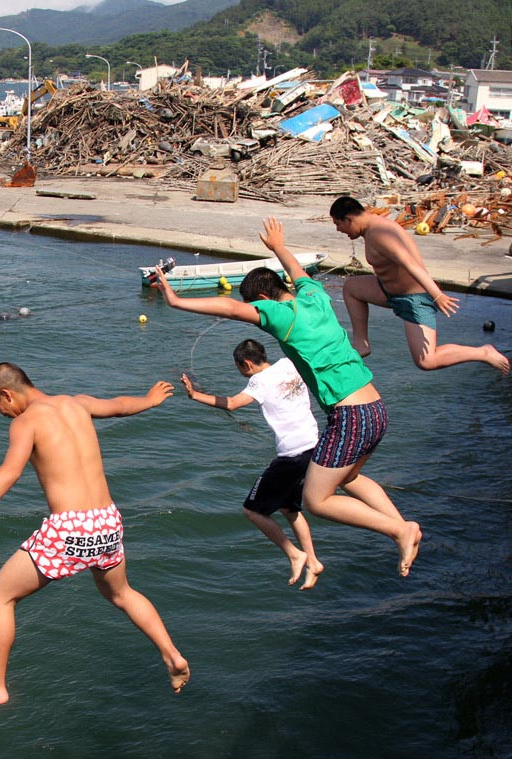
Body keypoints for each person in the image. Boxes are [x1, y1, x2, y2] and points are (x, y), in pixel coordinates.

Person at [152, 218, 423, 578]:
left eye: (256, 309)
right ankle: (401, 528)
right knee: (350, 478)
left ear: (262, 300)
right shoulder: (315, 296)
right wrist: (279, 247)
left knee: (316, 501)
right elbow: (298, 273)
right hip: (375, 408)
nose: (257, 315)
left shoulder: (282, 316)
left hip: (350, 416)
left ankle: (400, 530)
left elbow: (232, 308)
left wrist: (175, 300)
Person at [0, 363, 190, 707]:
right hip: (108, 521)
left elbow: (8, 471)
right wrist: (150, 400)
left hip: (70, 527)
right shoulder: (77, 403)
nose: (3, 415)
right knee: (122, 593)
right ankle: (171, 655)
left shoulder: (27, 422)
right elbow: (119, 406)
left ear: (7, 394)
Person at [180, 338, 323, 589]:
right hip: (314, 446)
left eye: (239, 368)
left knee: (252, 510)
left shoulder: (258, 381)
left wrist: (194, 395)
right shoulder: (290, 364)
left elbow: (232, 403)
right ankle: (313, 561)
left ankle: (294, 553)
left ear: (246, 364)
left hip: (292, 455)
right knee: (290, 509)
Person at [330, 196, 511, 375]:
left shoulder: (379, 232)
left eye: (338, 224)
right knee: (352, 287)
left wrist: (437, 295)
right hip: (390, 291)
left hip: (414, 299)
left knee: (427, 361)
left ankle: (483, 352)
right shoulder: (371, 229)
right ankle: (361, 343)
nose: (338, 230)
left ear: (349, 219)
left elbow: (410, 263)